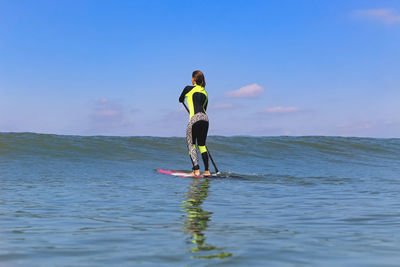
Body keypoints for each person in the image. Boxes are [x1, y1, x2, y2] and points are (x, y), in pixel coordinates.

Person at [179, 70, 210, 177]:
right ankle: (207, 171)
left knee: (191, 144)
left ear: (193, 79)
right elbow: (204, 109)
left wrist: (182, 100)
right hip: (205, 119)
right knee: (202, 145)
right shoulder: (205, 93)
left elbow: (180, 99)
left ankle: (196, 170)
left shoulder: (188, 89)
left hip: (194, 118)